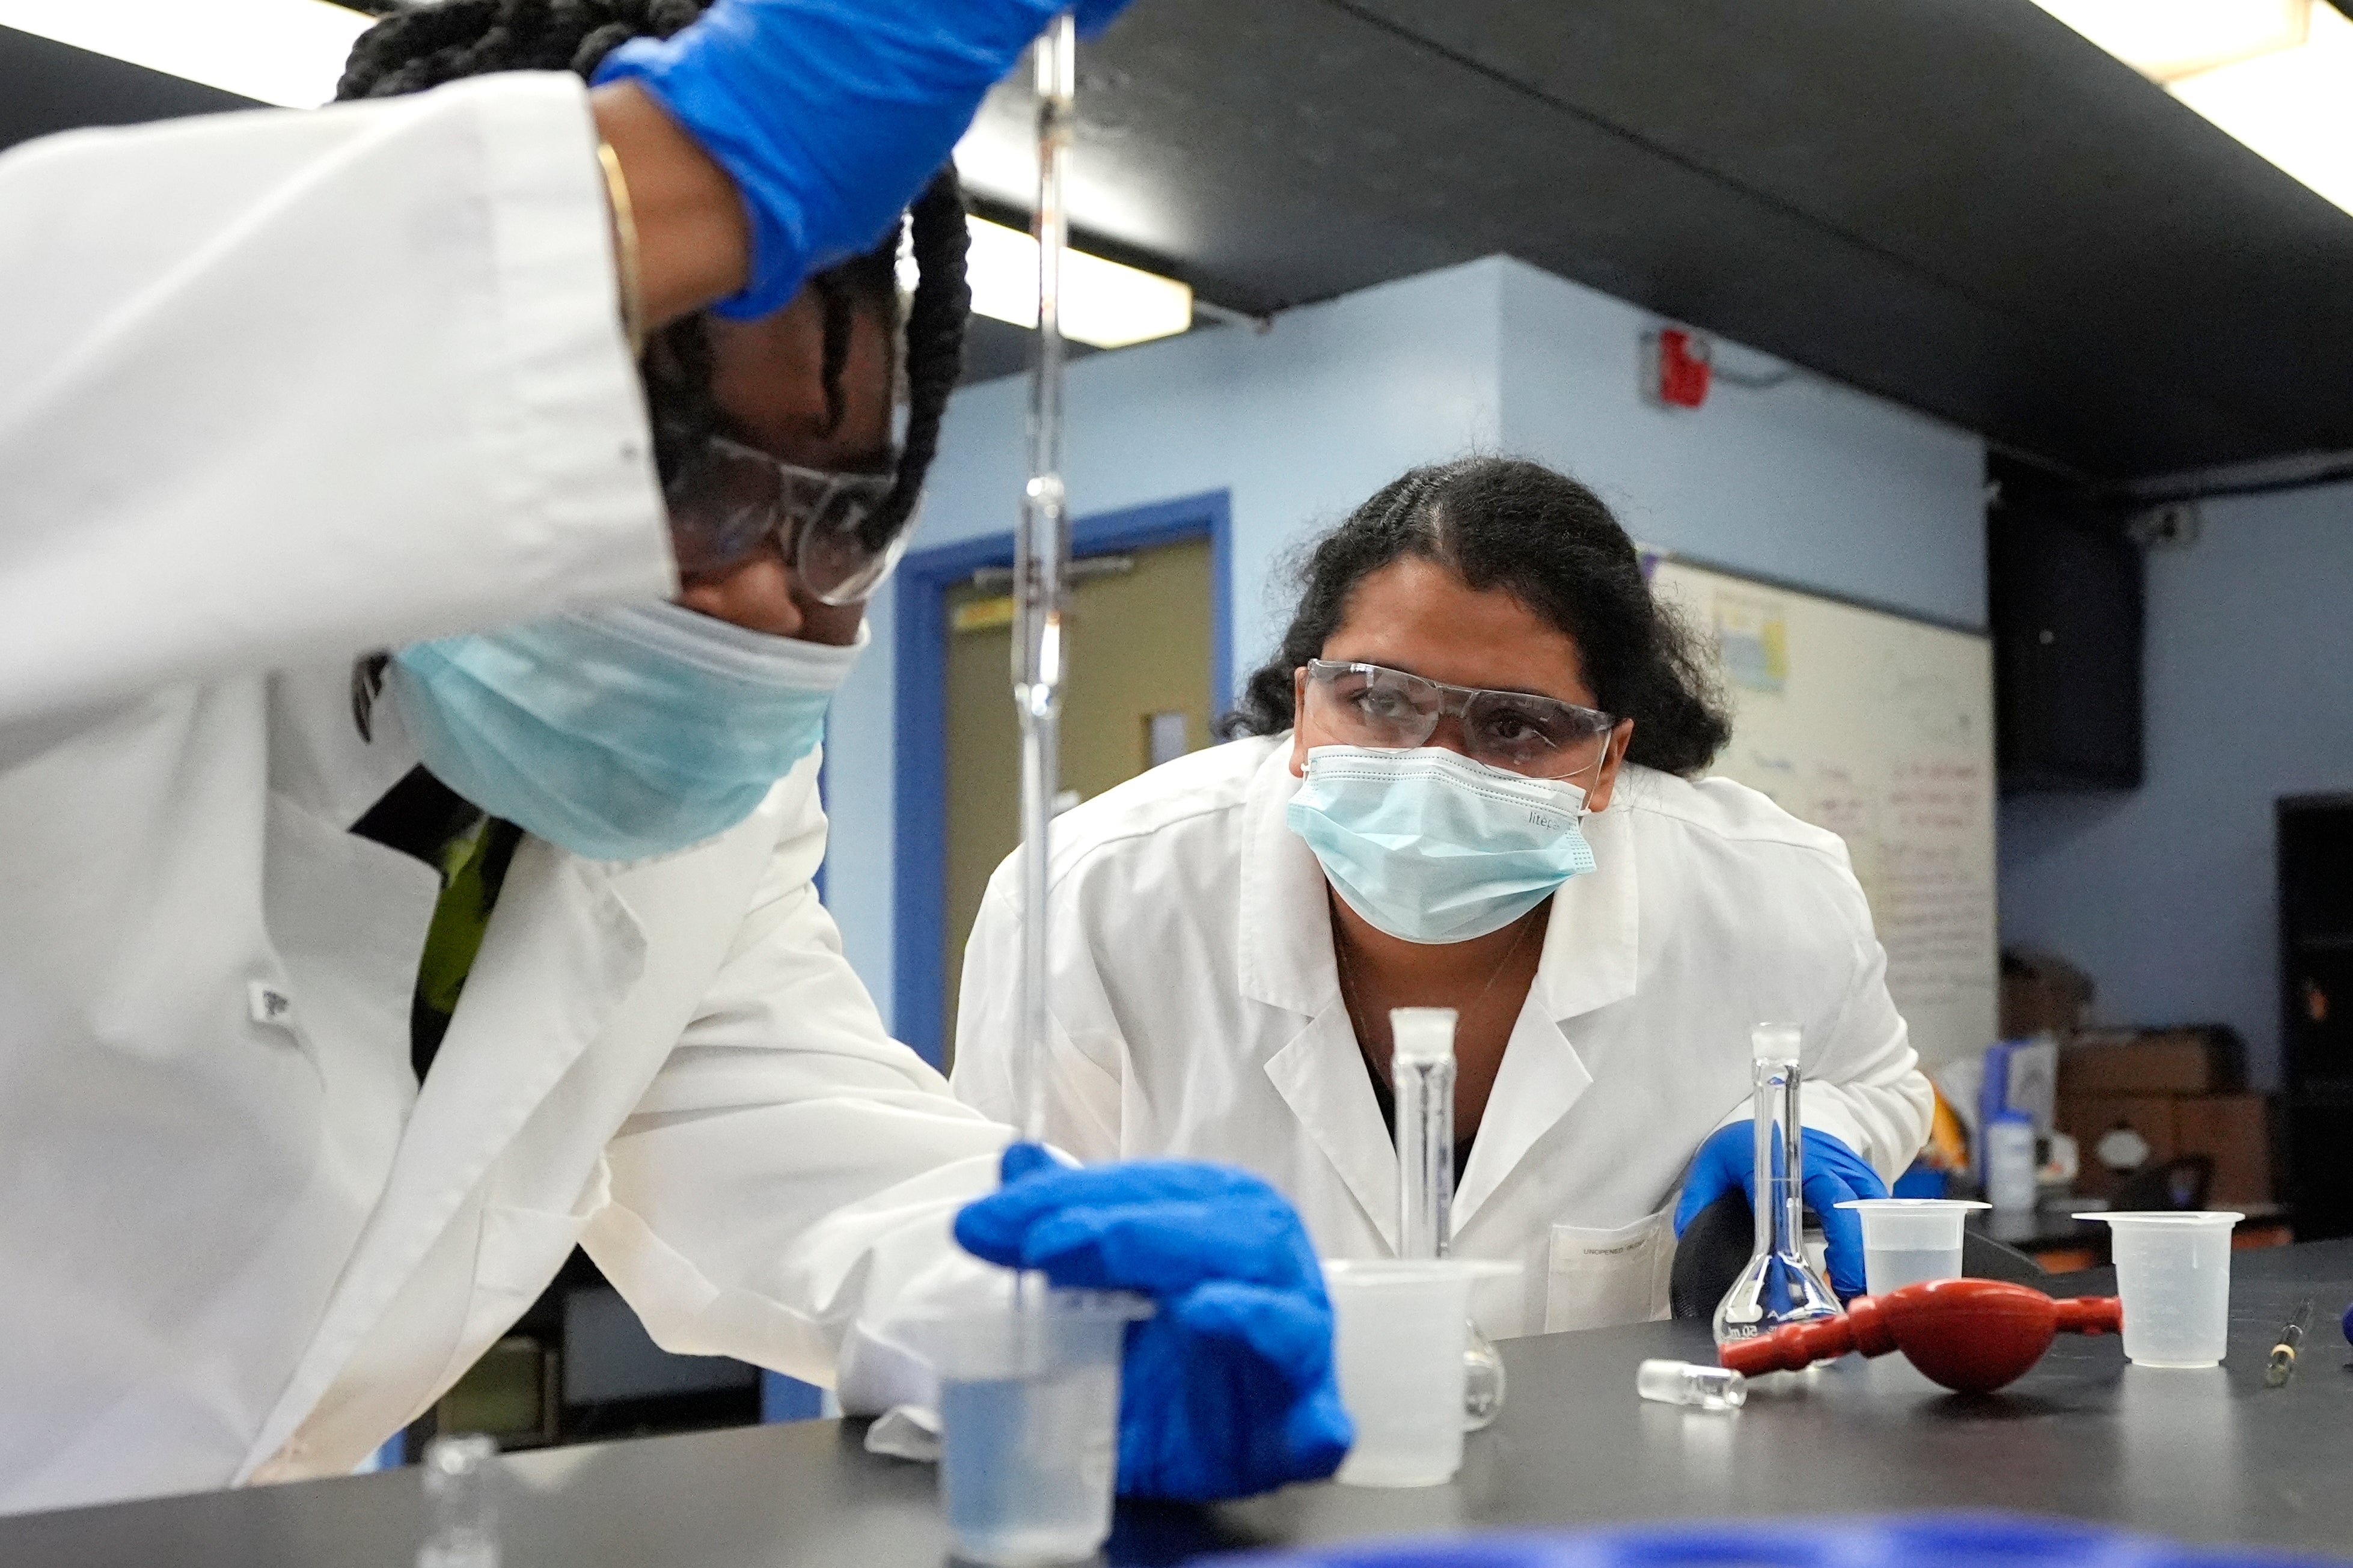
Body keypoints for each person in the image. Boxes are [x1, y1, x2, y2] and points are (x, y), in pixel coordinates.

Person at [0, 0, 1347, 1515]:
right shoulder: (92, 616)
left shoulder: (709, 797)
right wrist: (664, 174)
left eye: (837, 510)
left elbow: (769, 1122)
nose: (770, 593)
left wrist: (1048, 1314)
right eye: (683, 473)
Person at [953, 457, 1934, 1337]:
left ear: (1607, 760)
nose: (1431, 766)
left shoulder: (1767, 892)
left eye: (1515, 724)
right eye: (1378, 699)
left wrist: (1811, 1133)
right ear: (1302, 705)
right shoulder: (1093, 898)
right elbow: (993, 1249)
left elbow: (1884, 1085)